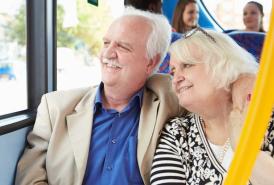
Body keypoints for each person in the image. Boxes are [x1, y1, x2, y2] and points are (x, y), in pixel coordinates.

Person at [15, 7, 183, 185]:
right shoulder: (56, 107)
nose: (107, 54)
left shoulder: (170, 103)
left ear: (151, 62)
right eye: (106, 43)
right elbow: (29, 179)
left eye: (123, 46)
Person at [150, 28, 274, 184]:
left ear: (223, 64)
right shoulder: (178, 133)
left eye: (187, 65)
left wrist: (242, 144)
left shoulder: (267, 118)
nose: (176, 79)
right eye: (173, 71)